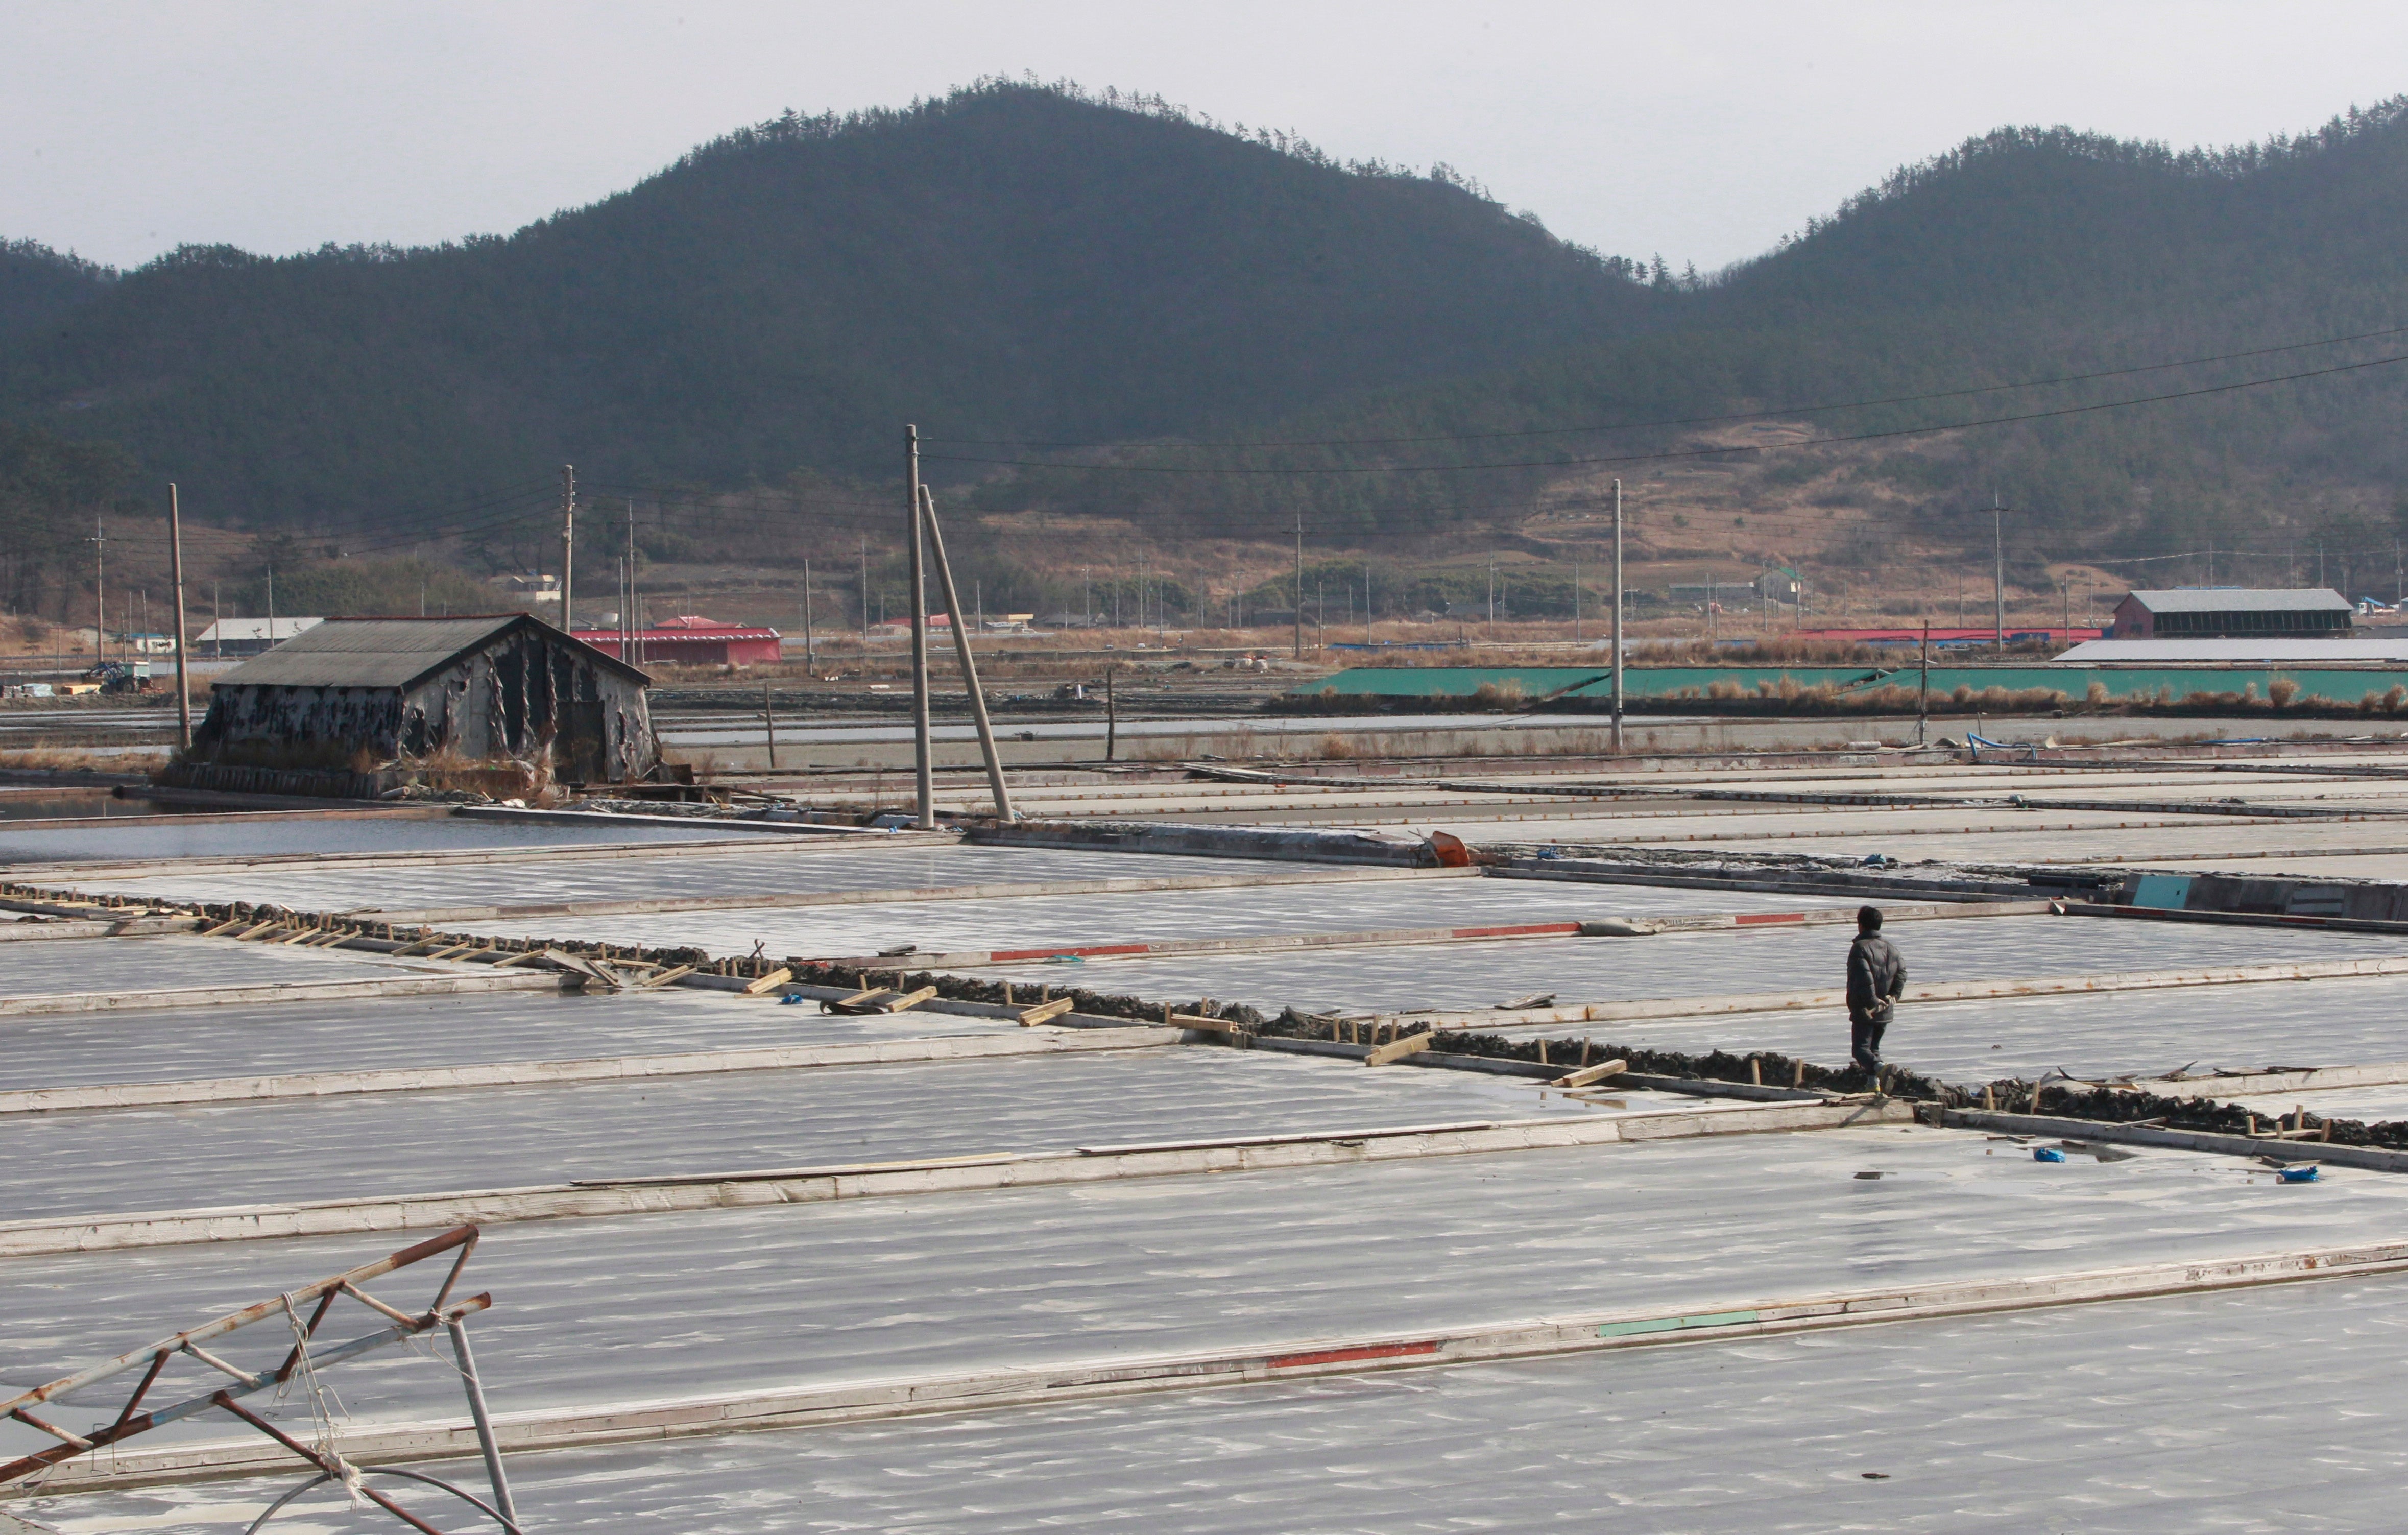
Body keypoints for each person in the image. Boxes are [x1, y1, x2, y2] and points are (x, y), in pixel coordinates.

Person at [1846, 905, 1907, 1083]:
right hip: (1885, 1009)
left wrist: (1873, 1001)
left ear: (1861, 926)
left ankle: (1881, 1069)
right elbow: (1902, 973)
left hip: (1867, 1009)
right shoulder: (1891, 948)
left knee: (1861, 1050)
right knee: (1874, 1050)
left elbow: (1865, 978)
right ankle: (1875, 1086)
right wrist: (1894, 995)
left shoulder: (1860, 948)